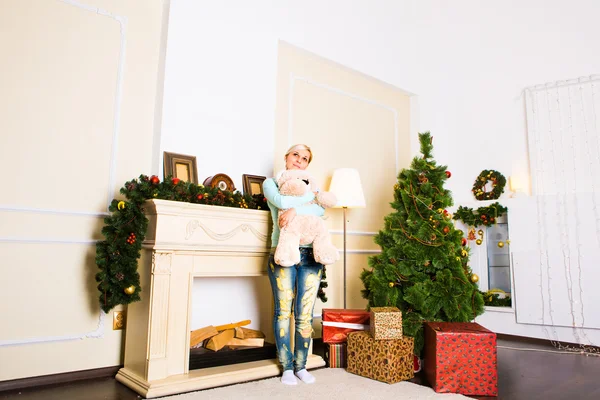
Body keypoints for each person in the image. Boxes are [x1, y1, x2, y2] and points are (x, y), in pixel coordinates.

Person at [262, 144, 325, 385]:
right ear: (287, 157)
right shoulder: (271, 183)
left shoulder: (311, 185)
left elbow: (320, 210)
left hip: (311, 256)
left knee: (304, 315)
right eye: (295, 155)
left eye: (305, 158)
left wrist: (295, 211)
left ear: (307, 165)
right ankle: (286, 367)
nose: (299, 160)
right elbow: (279, 200)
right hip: (283, 253)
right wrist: (311, 198)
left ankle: (301, 366)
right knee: (283, 312)